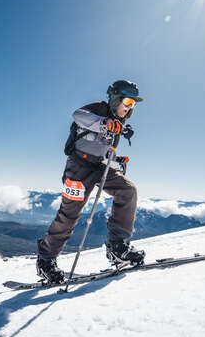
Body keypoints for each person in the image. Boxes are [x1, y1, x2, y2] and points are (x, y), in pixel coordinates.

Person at [37, 80, 145, 283]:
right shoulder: (98, 109)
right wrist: (104, 123)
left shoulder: (118, 123)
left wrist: (117, 158)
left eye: (134, 104)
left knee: (128, 191)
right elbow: (77, 116)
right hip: (78, 168)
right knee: (69, 213)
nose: (130, 107)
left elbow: (101, 145)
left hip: (99, 166)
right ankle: (46, 259)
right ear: (115, 98)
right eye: (128, 101)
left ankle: (117, 247)